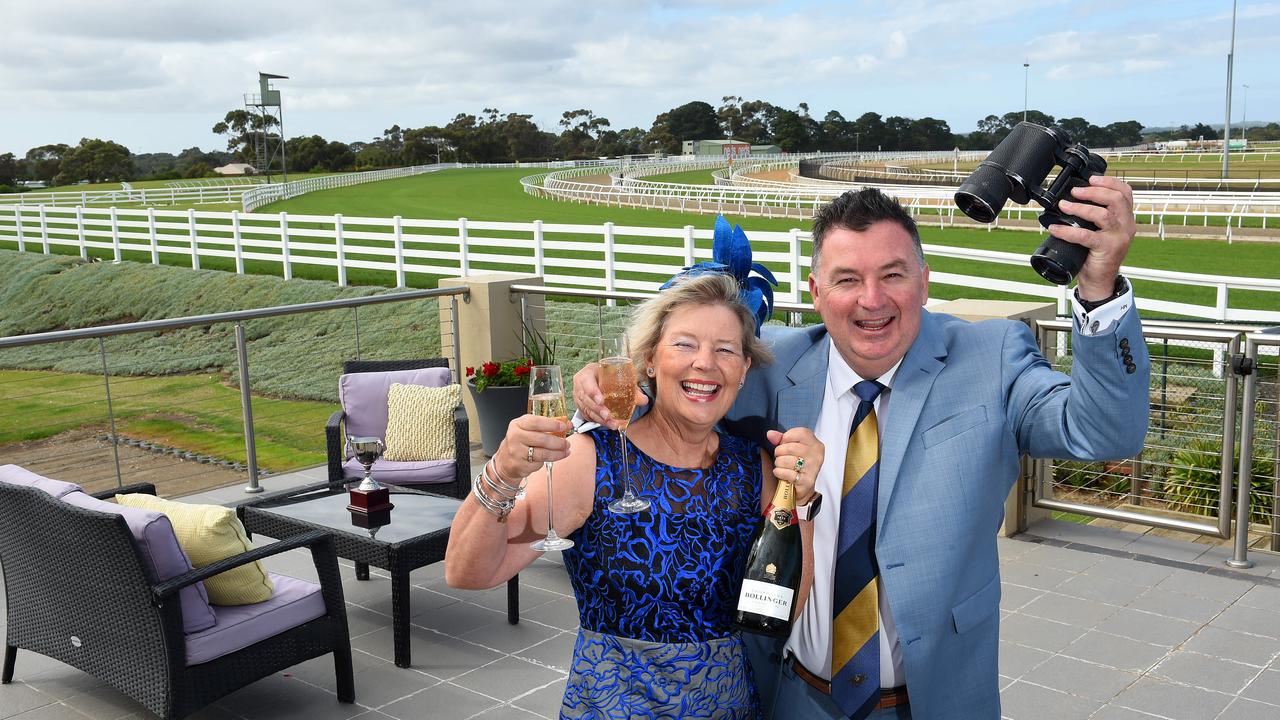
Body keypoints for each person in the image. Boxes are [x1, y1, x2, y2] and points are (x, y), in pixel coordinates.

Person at [573, 179, 1150, 719]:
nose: (872, 301)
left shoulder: (991, 357)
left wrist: (1098, 287)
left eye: (893, 275)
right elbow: (681, 384)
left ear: (924, 282)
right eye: (847, 279)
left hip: (934, 699)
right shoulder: (769, 365)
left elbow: (1103, 431)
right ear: (817, 293)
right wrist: (610, 387)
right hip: (791, 694)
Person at [445, 271, 826, 719]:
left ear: (743, 369)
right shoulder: (591, 460)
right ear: (648, 359)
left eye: (725, 349)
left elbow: (785, 607)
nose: (705, 362)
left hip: (728, 707)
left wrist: (801, 501)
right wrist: (504, 471)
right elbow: (467, 571)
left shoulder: (754, 467)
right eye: (684, 344)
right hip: (614, 705)